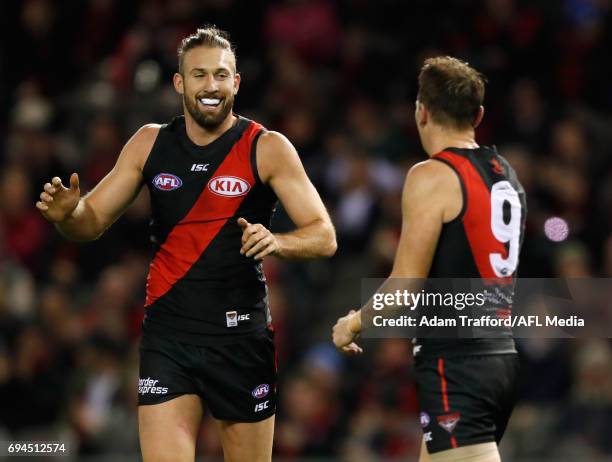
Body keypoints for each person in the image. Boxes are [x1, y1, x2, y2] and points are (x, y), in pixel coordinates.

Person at [36, 26, 336, 462]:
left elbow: (324, 235)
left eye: (220, 75)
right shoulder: (149, 143)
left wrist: (278, 242)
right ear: (180, 83)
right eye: (199, 75)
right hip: (168, 338)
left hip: (241, 341)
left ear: (236, 82)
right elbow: (92, 220)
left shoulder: (267, 148)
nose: (210, 86)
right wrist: (69, 215)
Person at [332, 56, 526, 462]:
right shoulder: (506, 174)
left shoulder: (431, 175)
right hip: (500, 359)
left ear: (421, 111)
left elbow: (404, 285)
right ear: (478, 115)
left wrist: (354, 323)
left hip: (456, 364)